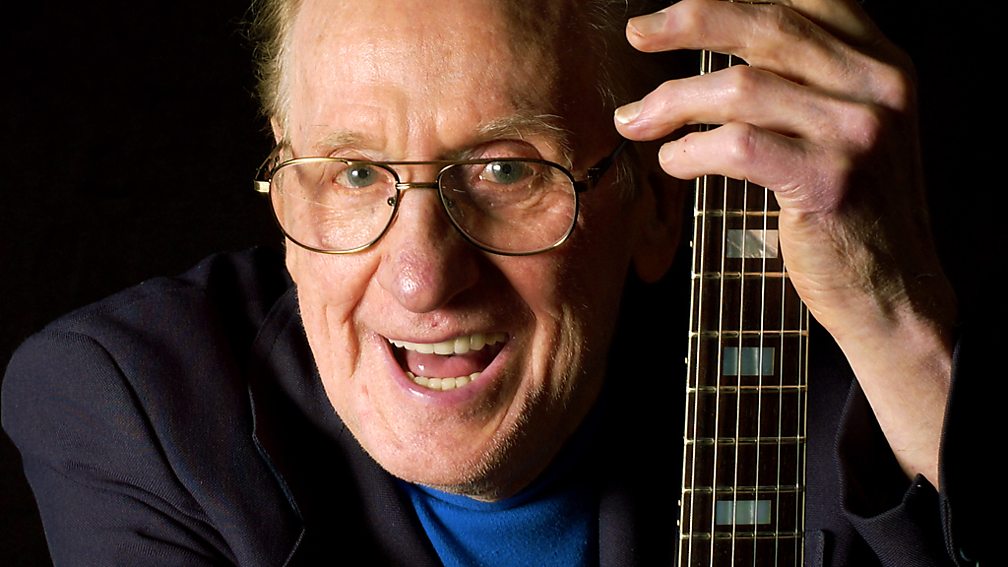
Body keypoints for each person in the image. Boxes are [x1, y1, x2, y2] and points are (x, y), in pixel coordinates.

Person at [0, 0, 986, 565]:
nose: (423, 278)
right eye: (354, 173)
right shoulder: (131, 412)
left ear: (653, 206)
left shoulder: (828, 392)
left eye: (509, 169)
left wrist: (899, 321)